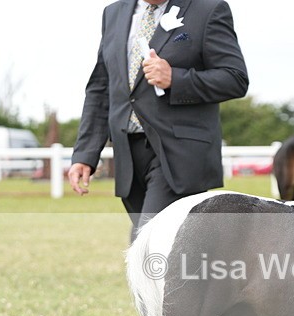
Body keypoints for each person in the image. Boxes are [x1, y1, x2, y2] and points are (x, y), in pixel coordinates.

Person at [69, 0, 249, 242]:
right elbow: (101, 88)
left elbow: (235, 79)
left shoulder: (209, 10)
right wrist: (85, 153)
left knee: (148, 241)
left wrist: (176, 78)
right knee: (169, 247)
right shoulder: (113, 13)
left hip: (179, 154)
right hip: (128, 154)